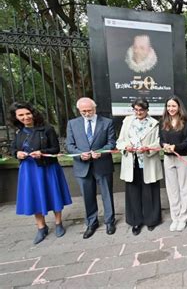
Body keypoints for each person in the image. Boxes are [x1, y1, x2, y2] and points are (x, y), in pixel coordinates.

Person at [9, 102, 72, 244]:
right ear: (16, 117)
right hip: (29, 170)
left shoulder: (47, 129)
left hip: (47, 167)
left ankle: (58, 223)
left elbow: (55, 149)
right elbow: (13, 149)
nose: (25, 117)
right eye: (21, 115)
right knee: (34, 197)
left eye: (27, 113)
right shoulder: (18, 132)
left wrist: (42, 152)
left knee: (53, 194)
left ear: (33, 113)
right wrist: (16, 153)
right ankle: (41, 227)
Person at [66, 97, 117, 239]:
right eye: (83, 111)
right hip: (82, 166)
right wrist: (79, 155)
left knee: (107, 194)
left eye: (89, 110)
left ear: (95, 108)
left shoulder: (107, 122)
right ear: (79, 110)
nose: (87, 113)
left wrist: (100, 152)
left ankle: (109, 221)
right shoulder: (72, 124)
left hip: (102, 164)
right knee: (88, 196)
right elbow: (69, 145)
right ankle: (92, 222)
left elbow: (112, 142)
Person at [116, 98, 163, 236]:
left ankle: (151, 220)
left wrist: (148, 149)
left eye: (141, 110)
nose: (138, 112)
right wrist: (126, 147)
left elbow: (159, 143)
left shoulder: (154, 124)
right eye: (136, 110)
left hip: (148, 161)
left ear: (147, 110)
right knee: (133, 192)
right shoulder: (127, 121)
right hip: (132, 162)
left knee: (150, 191)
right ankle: (135, 221)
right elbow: (120, 141)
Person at [160, 95, 187, 232]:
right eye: (168, 106)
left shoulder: (185, 122)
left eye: (173, 106)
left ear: (179, 107)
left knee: (184, 189)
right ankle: (175, 217)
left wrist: (175, 147)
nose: (171, 108)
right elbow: (160, 140)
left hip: (182, 158)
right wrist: (164, 145)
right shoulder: (163, 121)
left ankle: (184, 217)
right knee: (172, 190)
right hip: (168, 159)